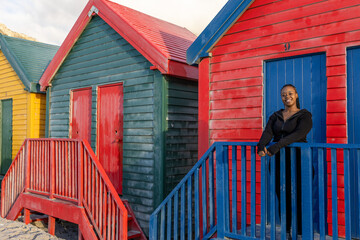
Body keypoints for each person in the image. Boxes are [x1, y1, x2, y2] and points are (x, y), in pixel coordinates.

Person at [257, 84, 312, 235]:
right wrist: (261, 146)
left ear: (296, 95)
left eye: (290, 93)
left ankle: (300, 232)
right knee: (282, 195)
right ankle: (287, 231)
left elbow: (299, 134)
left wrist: (276, 146)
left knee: (300, 195)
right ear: (281, 97)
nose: (287, 96)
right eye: (283, 94)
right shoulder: (276, 115)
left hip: (299, 160)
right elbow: (268, 132)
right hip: (279, 161)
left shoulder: (304, 115)